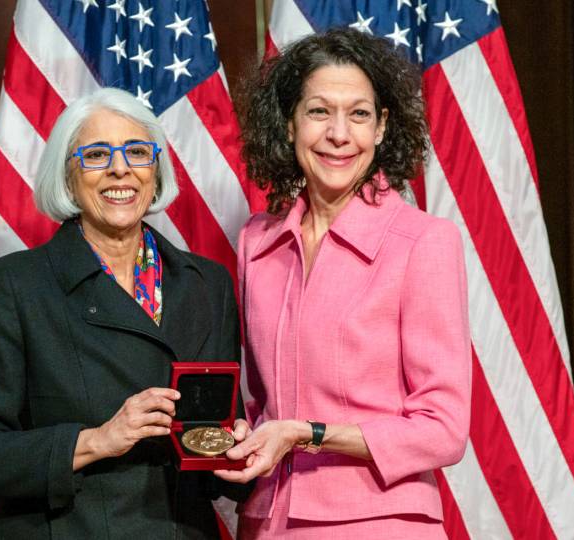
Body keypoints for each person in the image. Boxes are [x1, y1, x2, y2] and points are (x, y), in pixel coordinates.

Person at [0, 88, 249, 539]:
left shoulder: (208, 285)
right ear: (68, 178)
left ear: (156, 170)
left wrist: (236, 452)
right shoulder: (12, 286)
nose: (120, 168)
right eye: (96, 155)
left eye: (137, 152)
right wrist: (97, 440)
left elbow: (211, 446)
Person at [214, 28, 471, 538]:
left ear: (381, 128)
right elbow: (259, 404)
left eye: (358, 114)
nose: (339, 134)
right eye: (317, 112)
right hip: (266, 521)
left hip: (381, 522)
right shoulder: (257, 244)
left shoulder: (423, 242)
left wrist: (307, 434)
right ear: (288, 124)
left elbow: (444, 430)